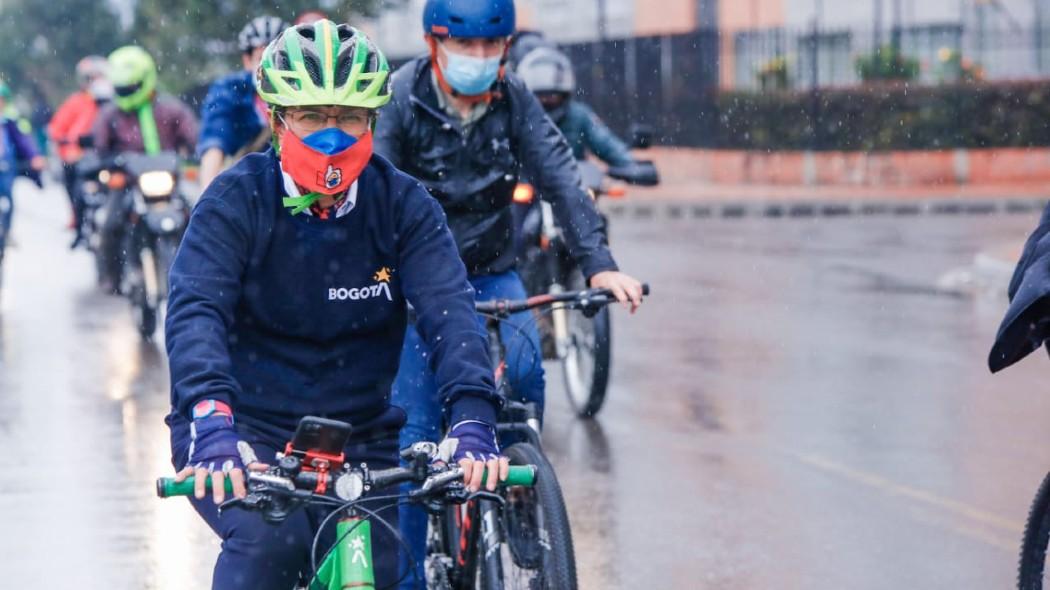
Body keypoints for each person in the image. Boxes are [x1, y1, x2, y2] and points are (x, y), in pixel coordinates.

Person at [164, 20, 507, 589]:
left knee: (381, 569)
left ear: (373, 120)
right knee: (270, 548)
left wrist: (473, 414)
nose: (332, 134)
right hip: (244, 433)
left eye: (349, 117)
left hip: (361, 441)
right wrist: (209, 418)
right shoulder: (234, 199)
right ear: (277, 121)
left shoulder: (404, 205)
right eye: (311, 116)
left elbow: (450, 310)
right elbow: (195, 310)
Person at [372, 0, 644, 584]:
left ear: (505, 48)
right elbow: (376, 195)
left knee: (522, 374)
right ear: (432, 44)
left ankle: (519, 493)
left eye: (491, 47)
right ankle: (409, 576)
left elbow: (562, 178)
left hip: (493, 272)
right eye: (464, 46)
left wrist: (598, 264)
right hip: (417, 284)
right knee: (415, 433)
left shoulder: (514, 97)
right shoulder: (398, 98)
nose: (478, 58)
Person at [91, 45, 197, 291]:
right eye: (121, 88)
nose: (126, 92)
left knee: (200, 217)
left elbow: (194, 137)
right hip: (129, 184)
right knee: (110, 224)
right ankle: (113, 276)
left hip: (168, 184)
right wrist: (111, 164)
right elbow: (100, 149)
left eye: (130, 87)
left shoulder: (172, 109)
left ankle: (198, 274)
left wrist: (196, 153)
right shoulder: (110, 115)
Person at [196, 16, 288, 188]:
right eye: (262, 58)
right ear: (247, 61)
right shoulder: (229, 91)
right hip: (247, 186)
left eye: (280, 59)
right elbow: (215, 142)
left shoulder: (303, 93)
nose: (271, 66)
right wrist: (206, 193)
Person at [516, 45, 635, 168]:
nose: (545, 101)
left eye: (552, 95)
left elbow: (605, 142)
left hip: (574, 183)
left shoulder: (579, 116)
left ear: (564, 95)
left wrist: (630, 165)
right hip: (525, 183)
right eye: (539, 96)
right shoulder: (516, 119)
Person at [48, 55, 112, 245]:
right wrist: (68, 142)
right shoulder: (76, 102)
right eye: (91, 78)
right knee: (77, 189)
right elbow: (56, 128)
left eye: (99, 77)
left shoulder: (113, 102)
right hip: (81, 158)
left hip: (106, 156)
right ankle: (79, 225)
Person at [0, 80, 45, 264]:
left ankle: (7, 231)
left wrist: (35, 157)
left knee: (7, 201)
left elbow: (24, 141)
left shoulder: (10, 121)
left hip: (5, 169)